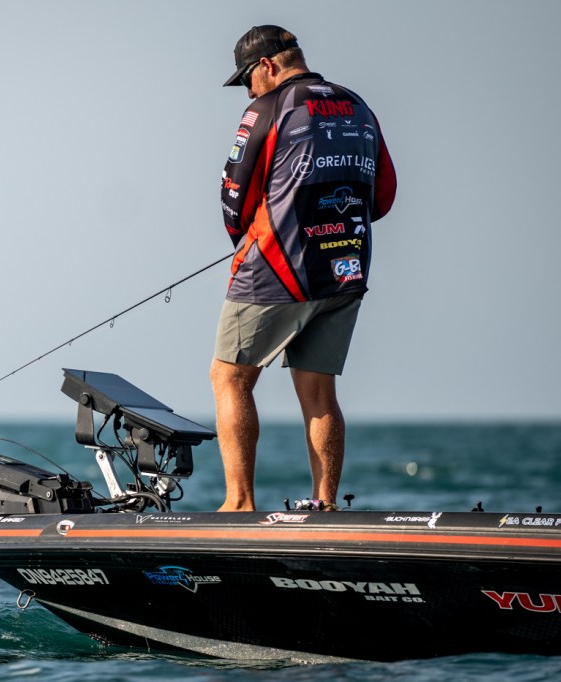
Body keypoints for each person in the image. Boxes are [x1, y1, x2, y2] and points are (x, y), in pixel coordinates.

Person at [211, 25, 396, 512]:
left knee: (229, 378)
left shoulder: (266, 109)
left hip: (275, 268)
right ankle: (324, 503)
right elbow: (383, 196)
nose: (247, 92)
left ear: (267, 65)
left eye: (247, 79)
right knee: (319, 389)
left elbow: (234, 196)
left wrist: (245, 235)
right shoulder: (358, 105)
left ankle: (239, 504)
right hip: (345, 267)